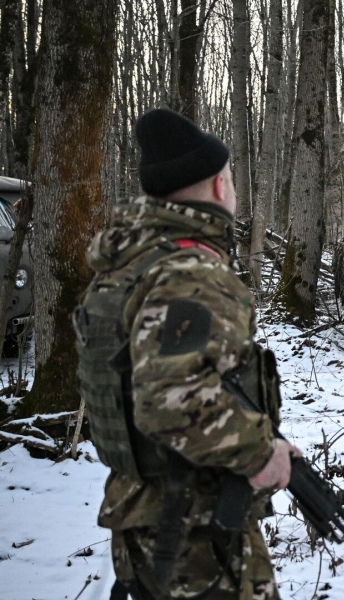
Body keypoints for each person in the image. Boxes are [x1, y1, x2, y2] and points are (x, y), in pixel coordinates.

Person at [75, 108, 299, 599]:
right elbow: (169, 400)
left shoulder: (132, 262)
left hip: (150, 514)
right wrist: (261, 453)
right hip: (194, 529)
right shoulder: (190, 273)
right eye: (232, 179)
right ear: (220, 186)